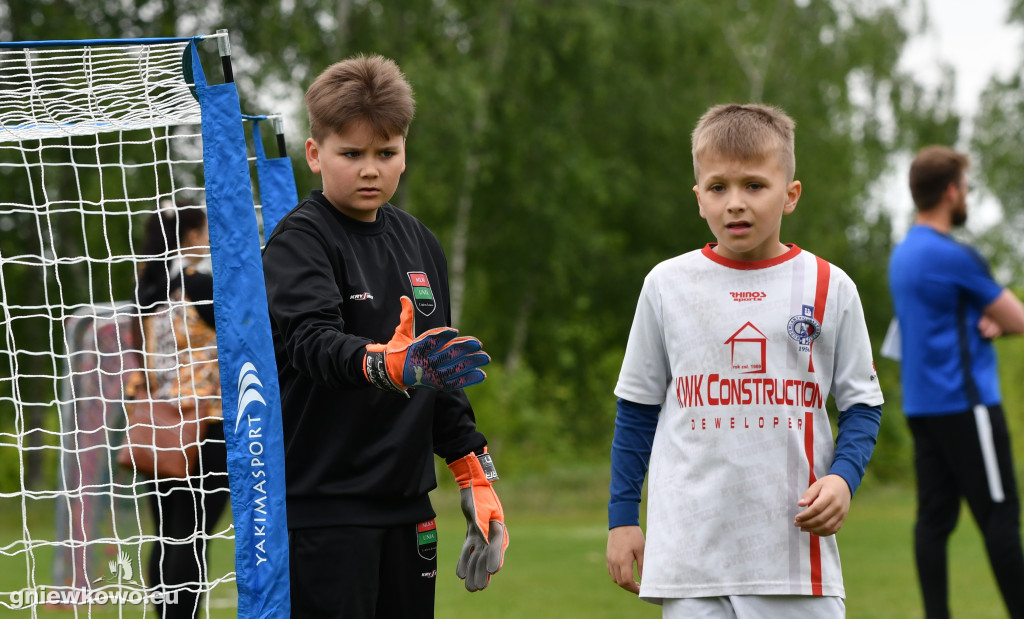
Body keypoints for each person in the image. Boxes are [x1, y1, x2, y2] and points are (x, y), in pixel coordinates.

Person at [606, 103, 884, 618]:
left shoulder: (830, 287)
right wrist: (622, 516)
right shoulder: (667, 285)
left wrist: (843, 478)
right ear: (698, 199)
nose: (735, 203)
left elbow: (862, 405)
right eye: (718, 188)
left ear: (790, 194)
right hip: (692, 563)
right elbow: (637, 408)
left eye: (754, 185)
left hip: (796, 565)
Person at [261, 54, 508, 618]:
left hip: (409, 505)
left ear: (404, 153)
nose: (370, 169)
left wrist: (474, 469)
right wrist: (383, 364)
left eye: (386, 153)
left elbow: (441, 370)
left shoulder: (420, 243)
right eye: (351, 154)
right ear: (315, 154)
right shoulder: (300, 240)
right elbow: (311, 343)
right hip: (326, 508)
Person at [888, 145, 1024, 618]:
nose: (966, 195)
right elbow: (1018, 317)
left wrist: (985, 319)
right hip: (968, 407)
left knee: (933, 524)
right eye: (964, 187)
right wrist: (1000, 321)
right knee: (1001, 518)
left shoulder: (903, 255)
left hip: (922, 409)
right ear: (950, 191)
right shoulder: (956, 256)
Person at [133, 203, 229, 619]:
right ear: (190, 237)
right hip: (206, 424)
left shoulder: (148, 289)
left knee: (166, 536)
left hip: (159, 426)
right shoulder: (200, 285)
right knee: (192, 536)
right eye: (205, 230)